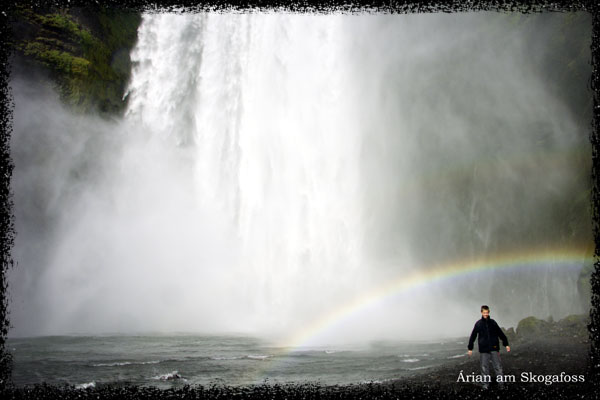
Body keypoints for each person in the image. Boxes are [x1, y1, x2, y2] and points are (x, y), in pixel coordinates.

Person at [467, 305, 510, 389]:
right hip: (484, 349)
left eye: (486, 313)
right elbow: (473, 336)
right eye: (484, 313)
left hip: (494, 348)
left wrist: (506, 344)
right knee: (484, 368)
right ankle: (485, 385)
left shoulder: (493, 323)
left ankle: (501, 385)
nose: (485, 314)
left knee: (498, 367)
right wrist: (470, 348)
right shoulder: (478, 324)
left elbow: (500, 333)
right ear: (481, 312)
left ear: (489, 312)